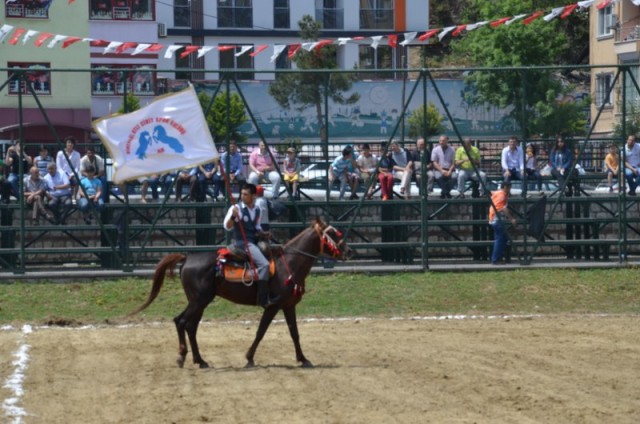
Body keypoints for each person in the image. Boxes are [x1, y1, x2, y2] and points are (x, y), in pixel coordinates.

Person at [223, 183, 279, 308]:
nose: (242, 196)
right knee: (264, 265)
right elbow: (227, 226)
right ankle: (263, 299)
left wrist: (264, 233)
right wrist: (233, 216)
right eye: (242, 194)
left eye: (246, 194)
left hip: (254, 241)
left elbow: (257, 227)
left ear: (253, 196)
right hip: (243, 243)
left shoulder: (258, 209)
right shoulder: (237, 209)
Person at [489, 178, 516, 265]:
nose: (509, 189)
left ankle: (498, 257)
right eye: (508, 187)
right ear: (505, 187)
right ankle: (495, 259)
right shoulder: (502, 195)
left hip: (495, 219)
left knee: (503, 239)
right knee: (500, 239)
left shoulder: (499, 193)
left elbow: (492, 193)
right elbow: (503, 208)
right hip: (497, 219)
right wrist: (511, 219)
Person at [56, 136, 81, 202]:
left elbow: (77, 167)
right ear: (66, 144)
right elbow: (58, 166)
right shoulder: (60, 153)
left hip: (72, 174)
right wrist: (65, 175)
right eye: (69, 142)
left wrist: (71, 175)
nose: (70, 144)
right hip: (62, 174)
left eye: (72, 143)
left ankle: (74, 197)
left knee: (76, 180)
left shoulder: (77, 154)